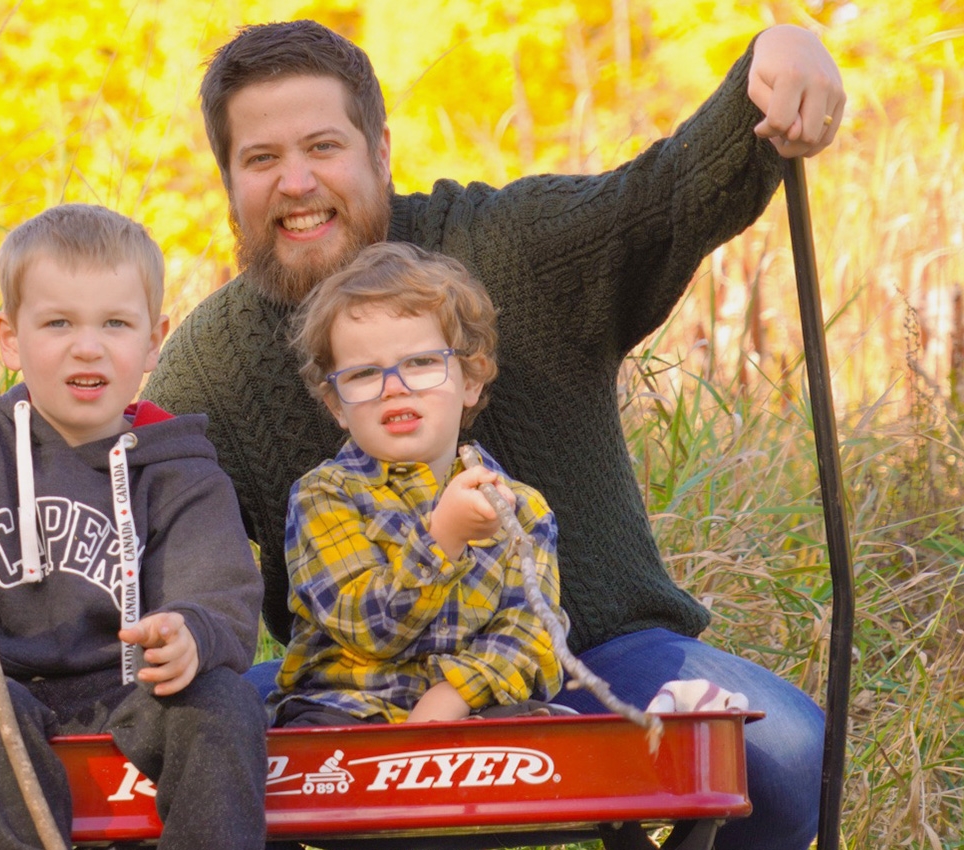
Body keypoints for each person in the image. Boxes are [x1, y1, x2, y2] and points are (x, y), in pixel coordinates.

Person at [142, 19, 841, 849]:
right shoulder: (212, 361)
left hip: (587, 662)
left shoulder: (509, 248)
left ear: (379, 150)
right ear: (229, 179)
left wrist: (781, 54)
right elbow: (133, 514)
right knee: (143, 751)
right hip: (345, 693)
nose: (296, 183)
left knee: (789, 750)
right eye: (261, 159)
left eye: (323, 146)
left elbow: (668, 195)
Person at [0, 204, 267, 849]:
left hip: (130, 688)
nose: (88, 345)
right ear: (10, 338)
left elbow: (225, 595)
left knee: (221, 702)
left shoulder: (180, 468)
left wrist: (189, 633)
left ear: (154, 339)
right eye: (58, 322)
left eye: (115, 323)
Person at [273, 242, 562, 728]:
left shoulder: (520, 508)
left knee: (549, 729)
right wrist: (443, 539)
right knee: (309, 738)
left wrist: (455, 695)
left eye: (422, 363)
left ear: (470, 380)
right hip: (347, 709)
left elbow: (532, 633)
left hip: (471, 710)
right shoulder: (324, 496)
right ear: (337, 406)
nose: (394, 386)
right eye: (364, 373)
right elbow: (365, 626)